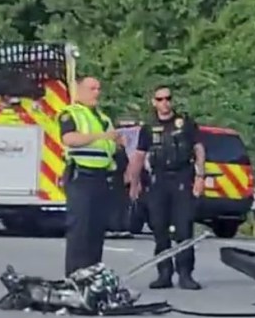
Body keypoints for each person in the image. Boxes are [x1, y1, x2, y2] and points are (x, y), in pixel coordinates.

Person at [127, 85, 206, 290]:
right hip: (158, 180)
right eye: (160, 99)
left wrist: (200, 175)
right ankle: (164, 273)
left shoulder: (185, 123)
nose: (165, 102)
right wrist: (134, 182)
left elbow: (198, 148)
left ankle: (186, 274)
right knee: (159, 228)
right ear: (154, 102)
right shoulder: (148, 127)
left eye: (168, 98)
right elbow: (139, 155)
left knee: (183, 229)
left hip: (181, 177)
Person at [58, 76, 121, 277]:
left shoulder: (103, 118)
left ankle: (93, 275)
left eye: (99, 88)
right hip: (81, 178)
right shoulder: (71, 114)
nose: (97, 92)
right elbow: (69, 139)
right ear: (80, 91)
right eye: (92, 88)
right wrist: (101, 137)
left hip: (101, 179)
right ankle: (75, 277)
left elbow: (112, 146)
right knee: (80, 231)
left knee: (96, 231)